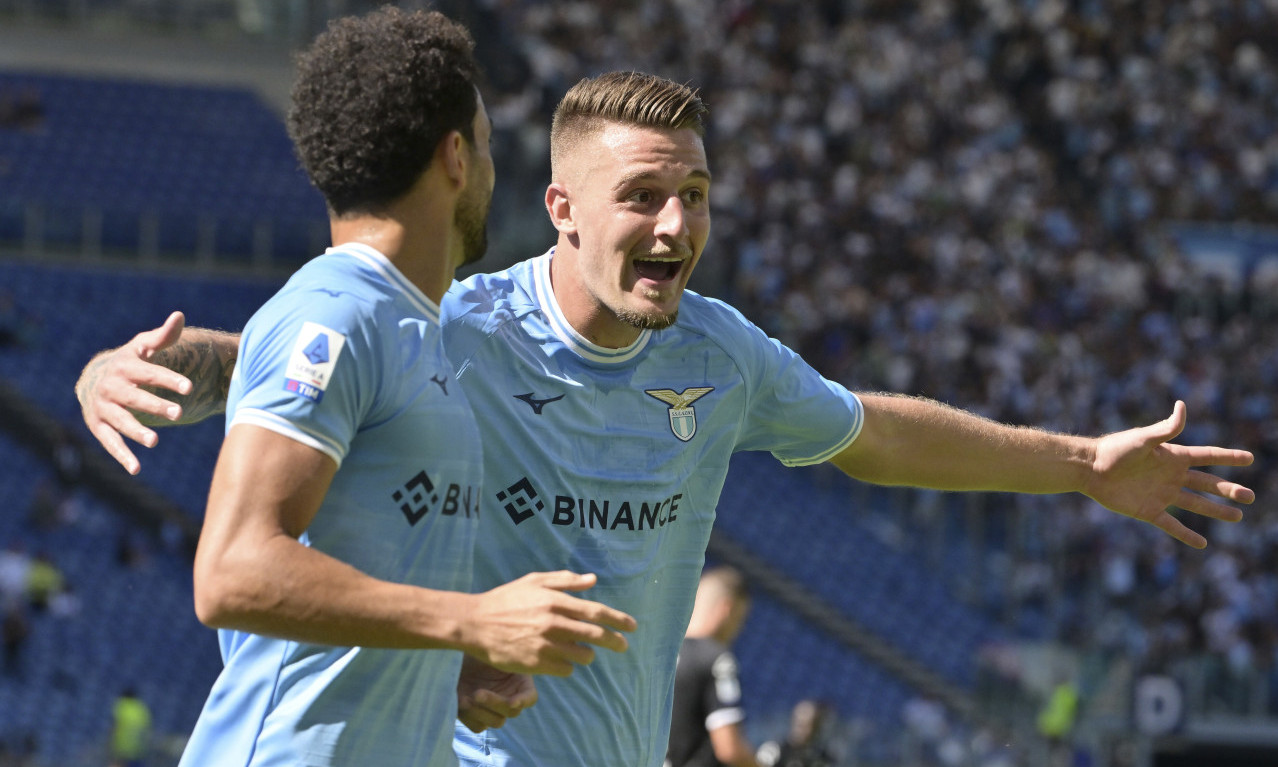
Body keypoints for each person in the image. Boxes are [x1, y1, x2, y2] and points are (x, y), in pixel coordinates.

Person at [75, 71, 1256, 767]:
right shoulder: (459, 324)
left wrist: (1080, 461)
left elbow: (876, 434)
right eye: (642, 195)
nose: (676, 225)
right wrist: (146, 369)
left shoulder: (721, 354)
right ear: (561, 209)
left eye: (694, 194)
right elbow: (292, 363)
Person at [102, 11, 636, 767]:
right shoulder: (337, 315)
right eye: (485, 144)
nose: (492, 169)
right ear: (455, 156)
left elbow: (356, 576)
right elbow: (233, 570)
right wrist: (469, 620)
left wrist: (436, 668)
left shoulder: (408, 325)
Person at [667, 566, 759, 767]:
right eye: (740, 619)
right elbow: (729, 749)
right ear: (727, 609)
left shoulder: (660, 655)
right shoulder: (716, 659)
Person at [756, 699, 837, 767]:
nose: (801, 730)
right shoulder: (773, 751)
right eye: (799, 724)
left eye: (807, 725)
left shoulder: (821, 757)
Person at [109, 686, 151, 767]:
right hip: (138, 749)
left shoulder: (122, 706)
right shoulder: (142, 709)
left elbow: (114, 726)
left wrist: (110, 745)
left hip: (122, 748)